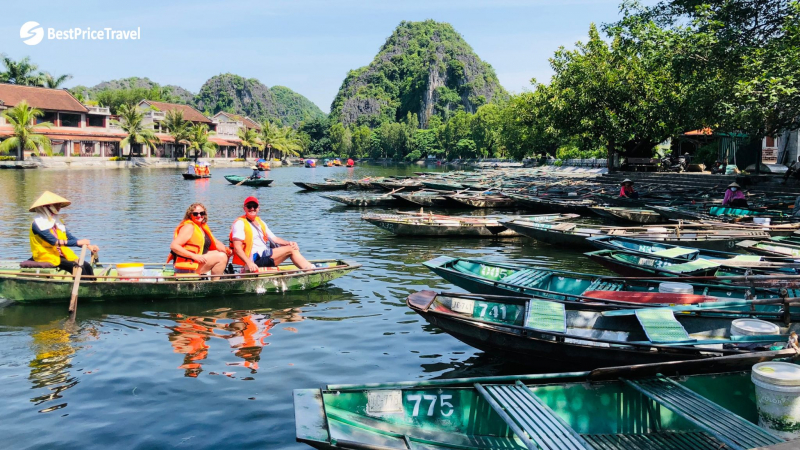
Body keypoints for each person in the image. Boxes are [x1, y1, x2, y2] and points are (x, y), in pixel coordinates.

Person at [229, 196, 314, 272]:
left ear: (258, 208)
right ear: (244, 208)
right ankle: (310, 270)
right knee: (291, 249)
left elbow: (275, 239)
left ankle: (309, 269)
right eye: (249, 206)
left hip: (264, 255)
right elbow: (237, 248)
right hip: (255, 259)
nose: (252, 209)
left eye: (254, 206)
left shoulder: (260, 222)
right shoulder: (240, 223)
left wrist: (289, 243)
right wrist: (249, 263)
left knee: (293, 248)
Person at [28, 191, 99, 275]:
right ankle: (84, 283)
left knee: (87, 266)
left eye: (59, 205)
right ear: (45, 207)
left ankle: (92, 283)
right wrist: (78, 242)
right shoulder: (38, 223)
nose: (59, 207)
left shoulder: (57, 222)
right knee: (77, 267)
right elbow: (54, 241)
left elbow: (70, 238)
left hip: (61, 254)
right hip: (46, 255)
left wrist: (88, 246)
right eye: (56, 205)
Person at [168, 203, 232, 279]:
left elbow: (216, 243)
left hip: (194, 261)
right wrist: (194, 256)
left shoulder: (202, 227)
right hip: (186, 266)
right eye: (195, 214)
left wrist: (228, 251)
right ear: (190, 215)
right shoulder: (189, 227)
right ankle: (215, 283)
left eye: (202, 213)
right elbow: (174, 246)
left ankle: (217, 277)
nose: (199, 216)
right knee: (222, 257)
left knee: (223, 253)